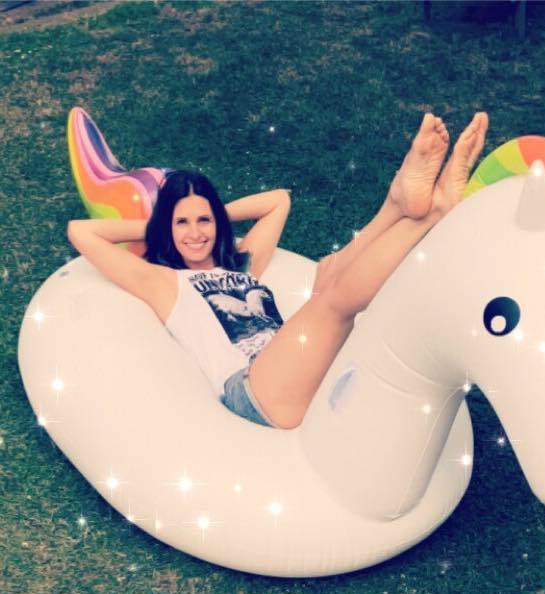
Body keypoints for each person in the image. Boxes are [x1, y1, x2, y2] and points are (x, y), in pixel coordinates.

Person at [67, 111, 489, 430]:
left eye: (204, 221)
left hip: (293, 368)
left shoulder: (243, 263)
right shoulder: (163, 282)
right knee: (330, 303)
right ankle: (431, 214)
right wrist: (160, 225)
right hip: (254, 392)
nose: (195, 234)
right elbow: (81, 232)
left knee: (329, 272)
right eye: (182, 224)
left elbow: (278, 201)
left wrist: (214, 214)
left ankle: (397, 203)